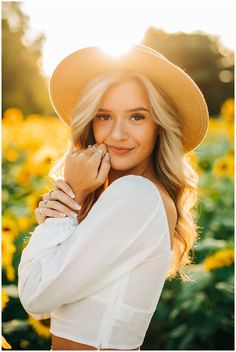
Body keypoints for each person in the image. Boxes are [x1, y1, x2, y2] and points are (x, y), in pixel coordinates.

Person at [18, 44, 209, 350]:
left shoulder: (137, 195)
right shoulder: (134, 197)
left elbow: (34, 297)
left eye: (137, 117)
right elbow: (47, 311)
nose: (118, 133)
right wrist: (70, 210)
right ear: (90, 123)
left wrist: (65, 208)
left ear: (159, 125)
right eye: (104, 116)